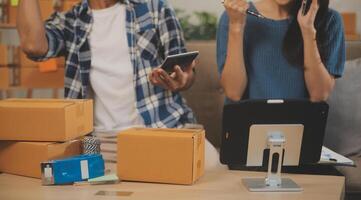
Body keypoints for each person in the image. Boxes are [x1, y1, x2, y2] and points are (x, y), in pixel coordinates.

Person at [17, 0, 197, 134]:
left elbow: (186, 72)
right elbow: (33, 46)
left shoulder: (154, 8)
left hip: (164, 129)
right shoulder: (72, 21)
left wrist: (182, 79)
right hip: (101, 141)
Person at [217, 0, 345, 102]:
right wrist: (236, 26)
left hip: (303, 127)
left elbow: (319, 95)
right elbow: (233, 93)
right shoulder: (234, 16)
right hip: (246, 127)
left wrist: (307, 31)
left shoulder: (329, 20)